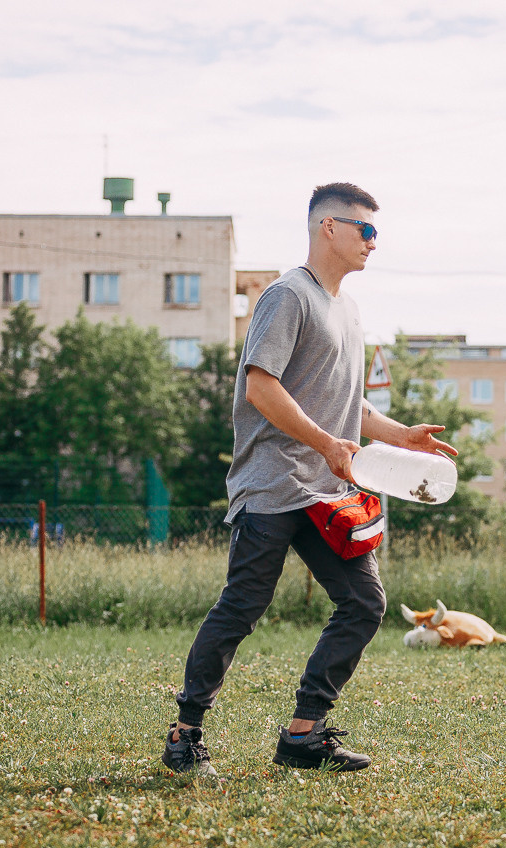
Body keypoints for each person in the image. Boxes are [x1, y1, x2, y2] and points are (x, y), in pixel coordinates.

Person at [162, 182, 458, 775]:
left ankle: (303, 734)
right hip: (272, 484)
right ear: (330, 228)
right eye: (366, 230)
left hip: (328, 488)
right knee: (242, 607)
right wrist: (326, 444)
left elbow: (347, 406)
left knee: (363, 603)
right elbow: (260, 387)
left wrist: (400, 436)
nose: (374, 243)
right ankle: (184, 733)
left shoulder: (347, 310)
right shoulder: (286, 296)